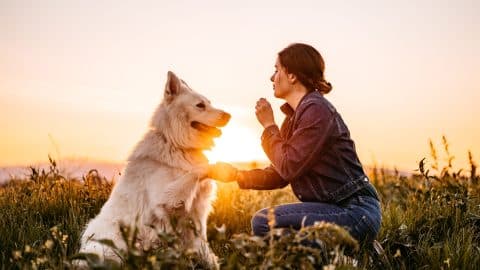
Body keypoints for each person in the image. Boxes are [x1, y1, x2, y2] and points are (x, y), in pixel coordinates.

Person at [208, 43, 381, 244]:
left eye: (276, 70)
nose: (272, 78)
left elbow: (289, 166)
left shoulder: (316, 109)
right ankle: (347, 254)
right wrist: (237, 175)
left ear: (292, 76)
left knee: (264, 222)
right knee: (271, 230)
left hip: (355, 211)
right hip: (336, 210)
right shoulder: (294, 118)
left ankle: (346, 253)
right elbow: (280, 173)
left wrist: (268, 125)